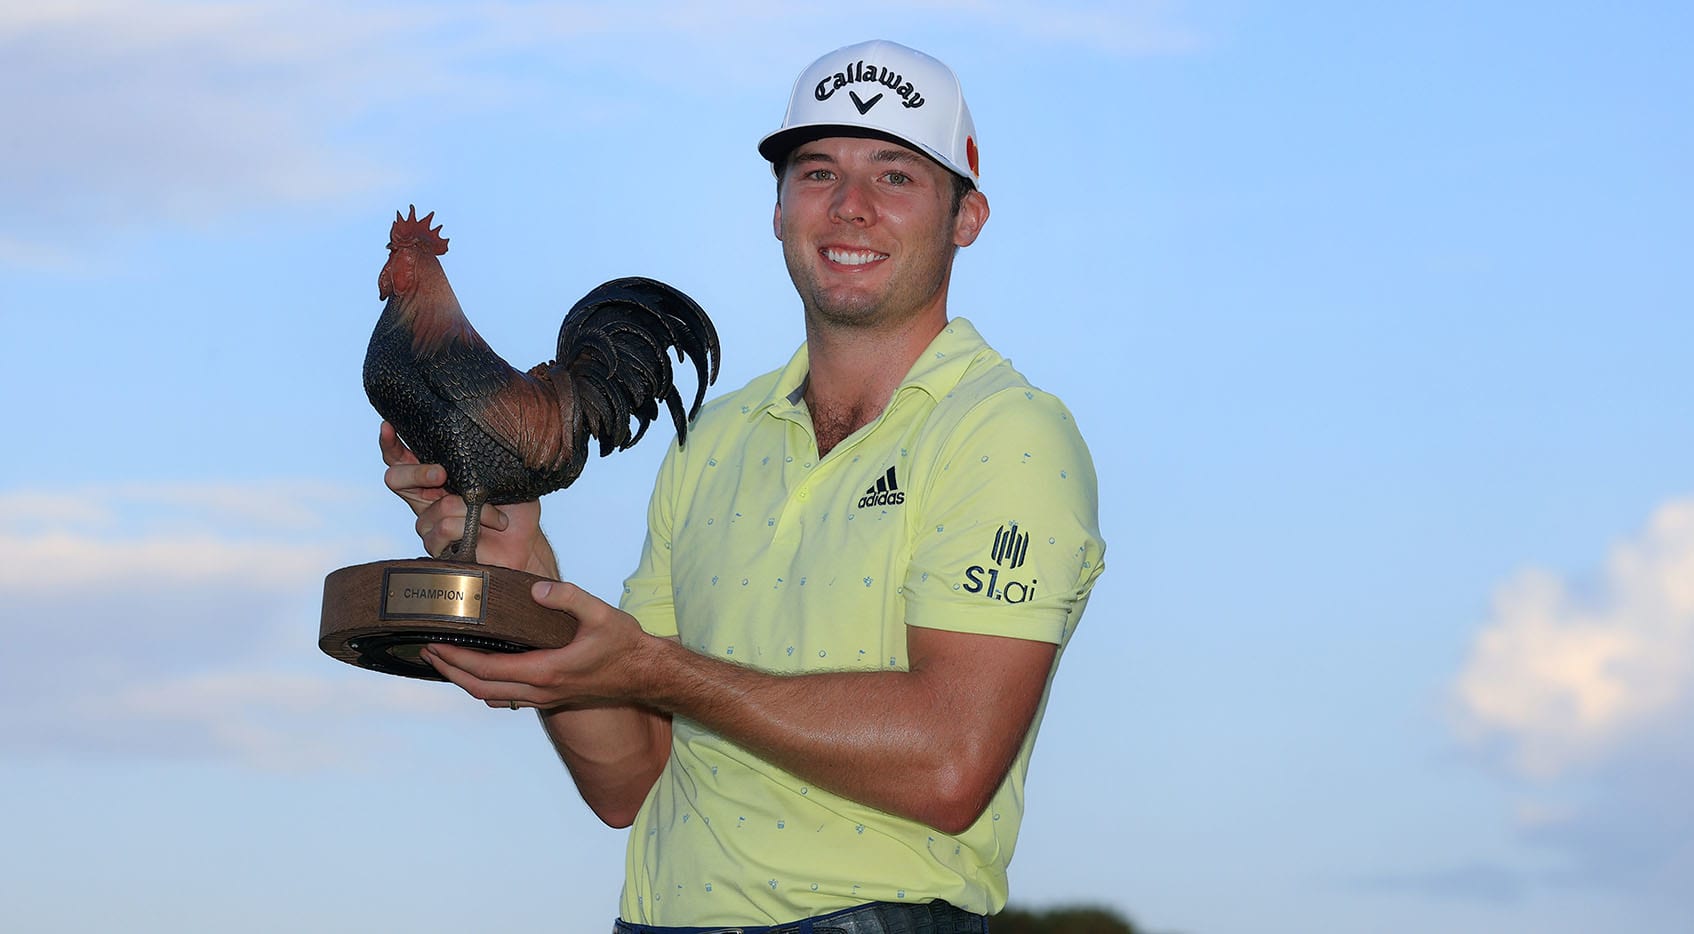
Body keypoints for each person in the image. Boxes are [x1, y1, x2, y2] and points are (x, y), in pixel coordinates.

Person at [380, 39, 1105, 934]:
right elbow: (630, 780)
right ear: (777, 210)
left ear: (967, 217)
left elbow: (949, 763)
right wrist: (522, 560)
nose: (850, 207)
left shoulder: (1009, 435)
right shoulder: (712, 440)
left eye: (896, 177)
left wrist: (658, 668)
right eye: (816, 172)